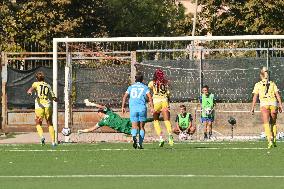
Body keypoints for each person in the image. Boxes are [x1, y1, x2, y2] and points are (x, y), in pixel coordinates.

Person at [78, 100, 154, 136]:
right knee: (136, 133)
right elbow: (92, 128)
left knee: (142, 120)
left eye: (98, 112)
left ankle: (156, 118)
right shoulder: (102, 122)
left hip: (126, 121)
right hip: (123, 129)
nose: (98, 114)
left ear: (101, 112)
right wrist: (83, 131)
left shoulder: (108, 112)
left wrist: (91, 104)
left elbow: (101, 106)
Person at [251, 67, 283, 149]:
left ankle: (270, 141)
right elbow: (277, 95)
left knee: (266, 123)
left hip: (264, 104)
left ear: (260, 75)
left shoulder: (257, 84)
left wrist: (253, 107)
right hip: (273, 103)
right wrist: (280, 105)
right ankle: (275, 139)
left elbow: (255, 96)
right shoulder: (272, 83)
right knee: (273, 123)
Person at [121, 72, 154, 149]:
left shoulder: (131, 87)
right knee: (141, 127)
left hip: (133, 109)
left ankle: (133, 137)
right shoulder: (145, 87)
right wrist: (152, 107)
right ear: (142, 79)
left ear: (135, 79)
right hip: (142, 108)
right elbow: (150, 97)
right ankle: (140, 144)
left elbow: (124, 97)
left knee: (134, 127)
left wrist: (123, 107)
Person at [27, 71, 57, 146]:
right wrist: (57, 99)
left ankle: (42, 137)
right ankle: (53, 142)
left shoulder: (35, 84)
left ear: (37, 78)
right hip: (48, 105)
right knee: (50, 123)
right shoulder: (48, 85)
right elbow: (54, 97)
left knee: (38, 123)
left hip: (39, 106)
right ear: (44, 78)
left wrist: (30, 92)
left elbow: (30, 89)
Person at [148, 69, 174, 147]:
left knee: (156, 120)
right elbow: (169, 93)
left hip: (156, 102)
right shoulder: (166, 82)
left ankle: (161, 138)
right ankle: (170, 135)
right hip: (165, 101)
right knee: (167, 120)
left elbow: (148, 92)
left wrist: (150, 102)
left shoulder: (152, 82)